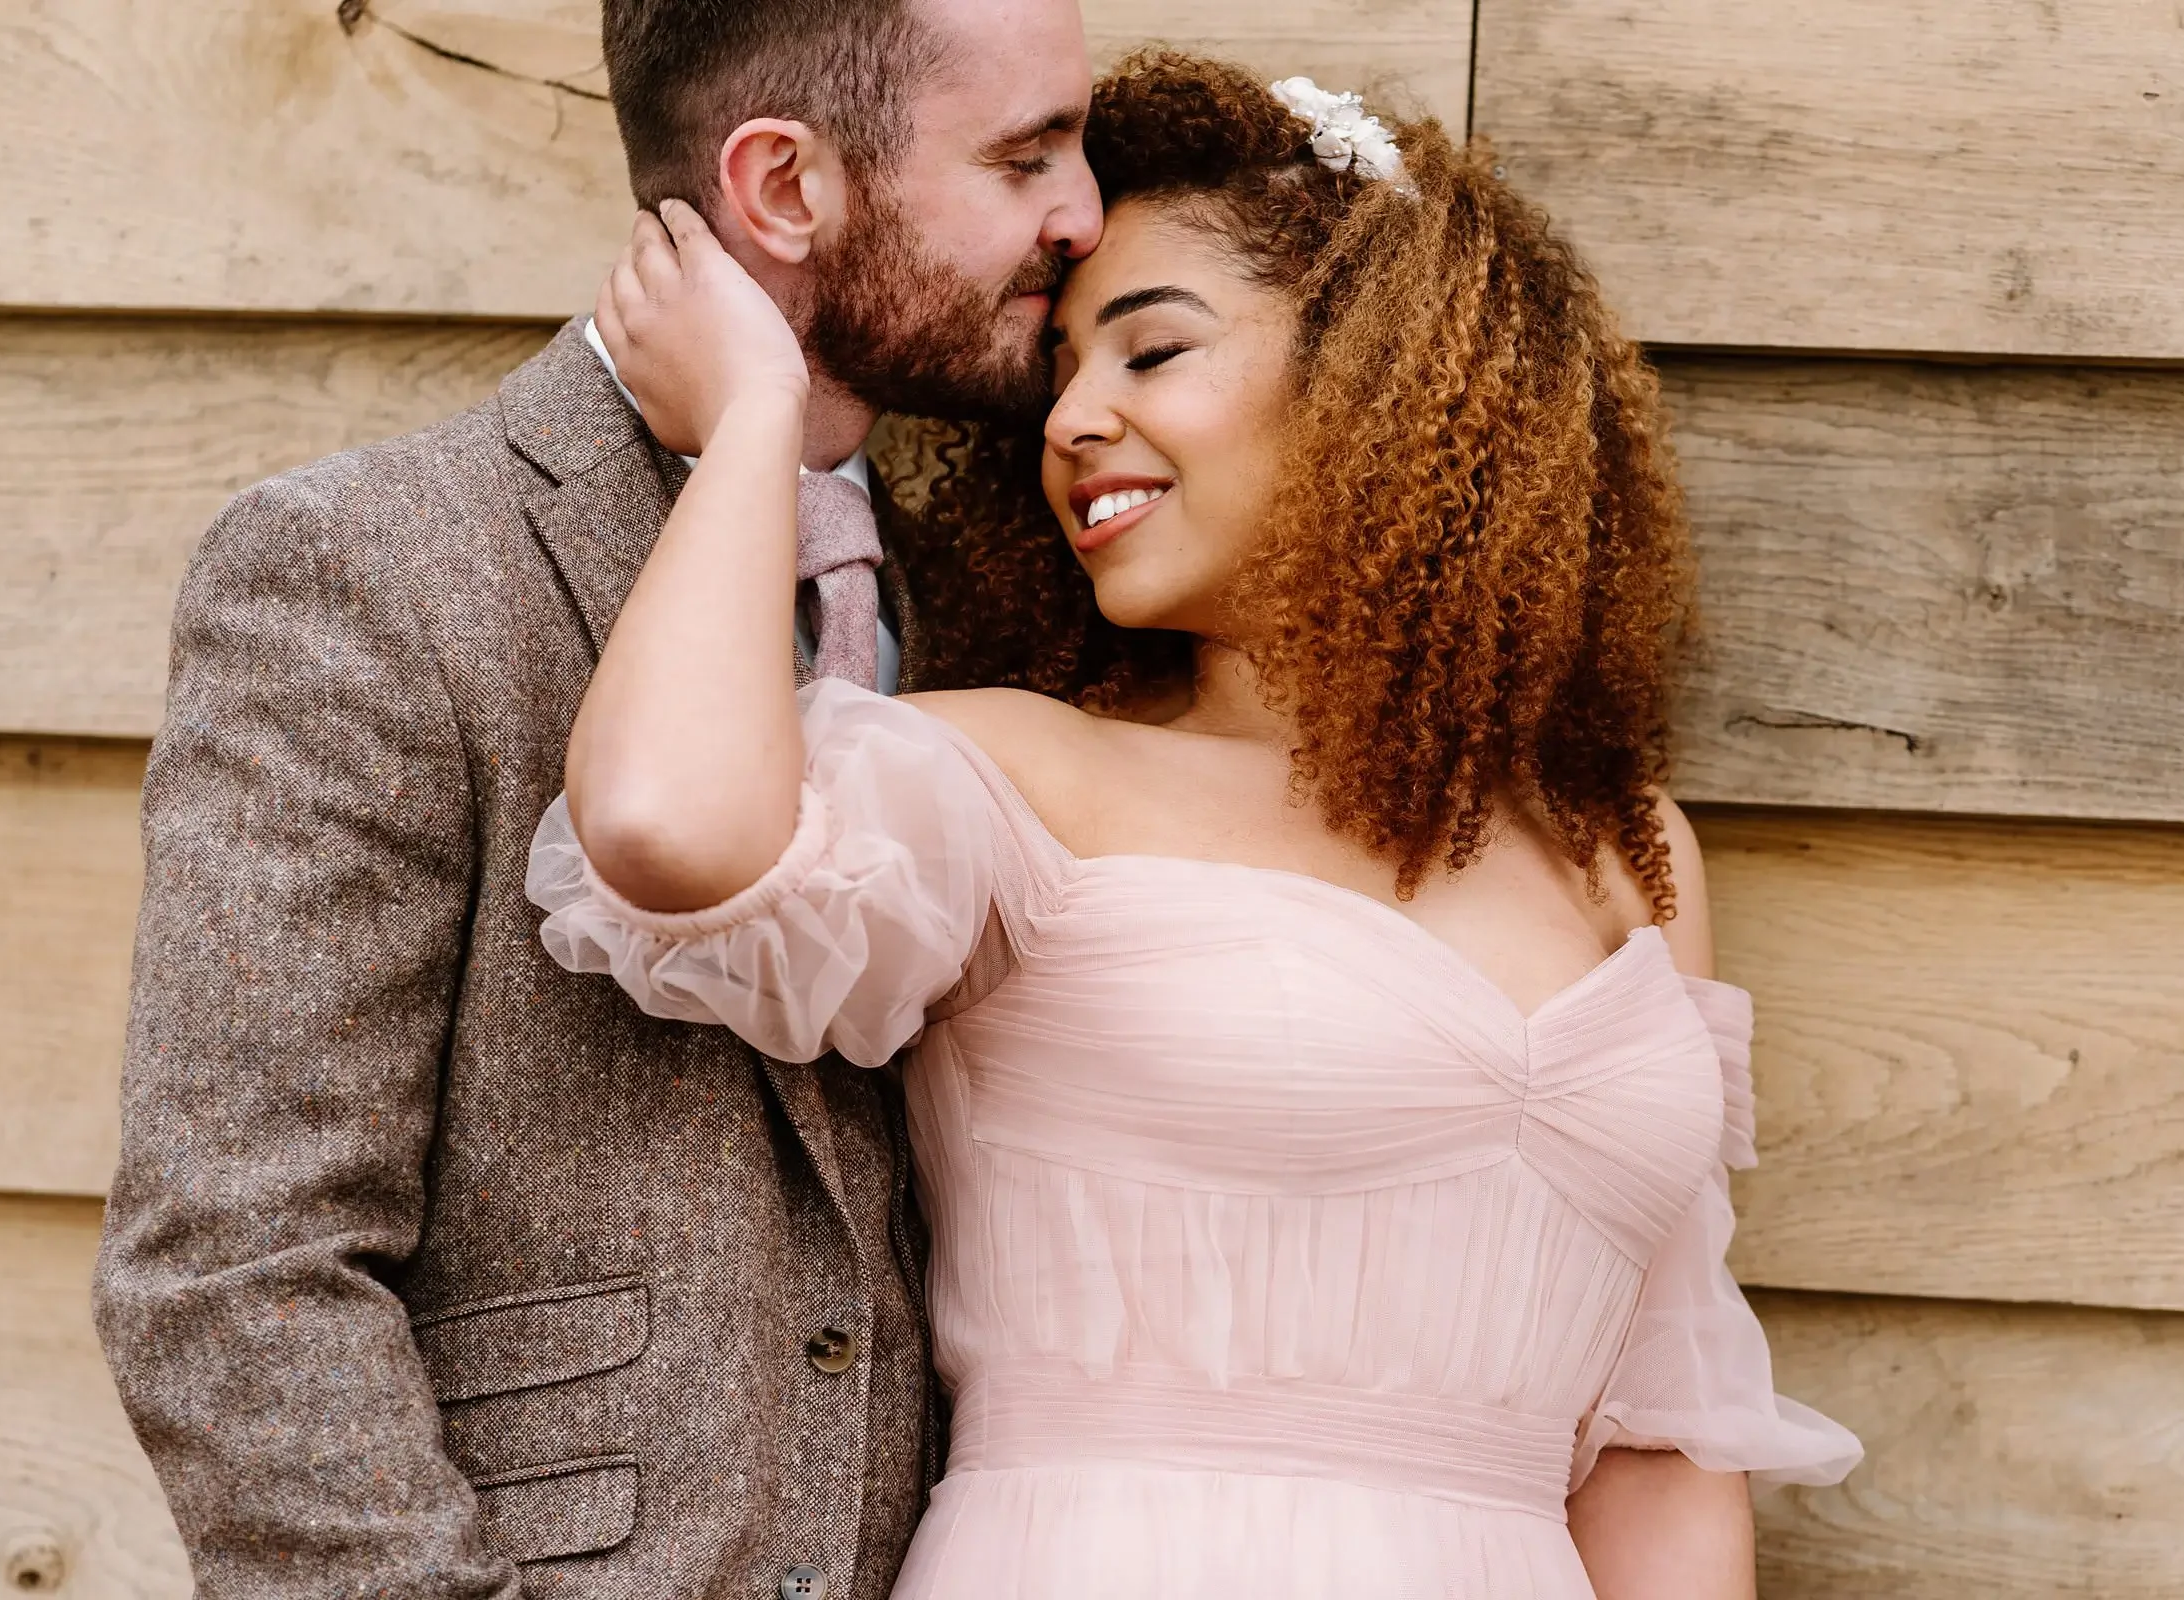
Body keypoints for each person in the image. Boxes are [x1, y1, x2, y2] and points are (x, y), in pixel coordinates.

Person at [533, 49, 1862, 1600]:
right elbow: (663, 825)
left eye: (1150, 354)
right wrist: (756, 417)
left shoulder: (1615, 850)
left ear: (1386, 377)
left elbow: (1658, 1450)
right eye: (1062, 375)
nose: (1075, 418)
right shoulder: (1029, 779)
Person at [90, 0, 1100, 1596]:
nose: (1084, 214)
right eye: (1026, 153)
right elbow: (234, 1269)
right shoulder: (372, 571)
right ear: (782, 188)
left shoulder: (986, 598)